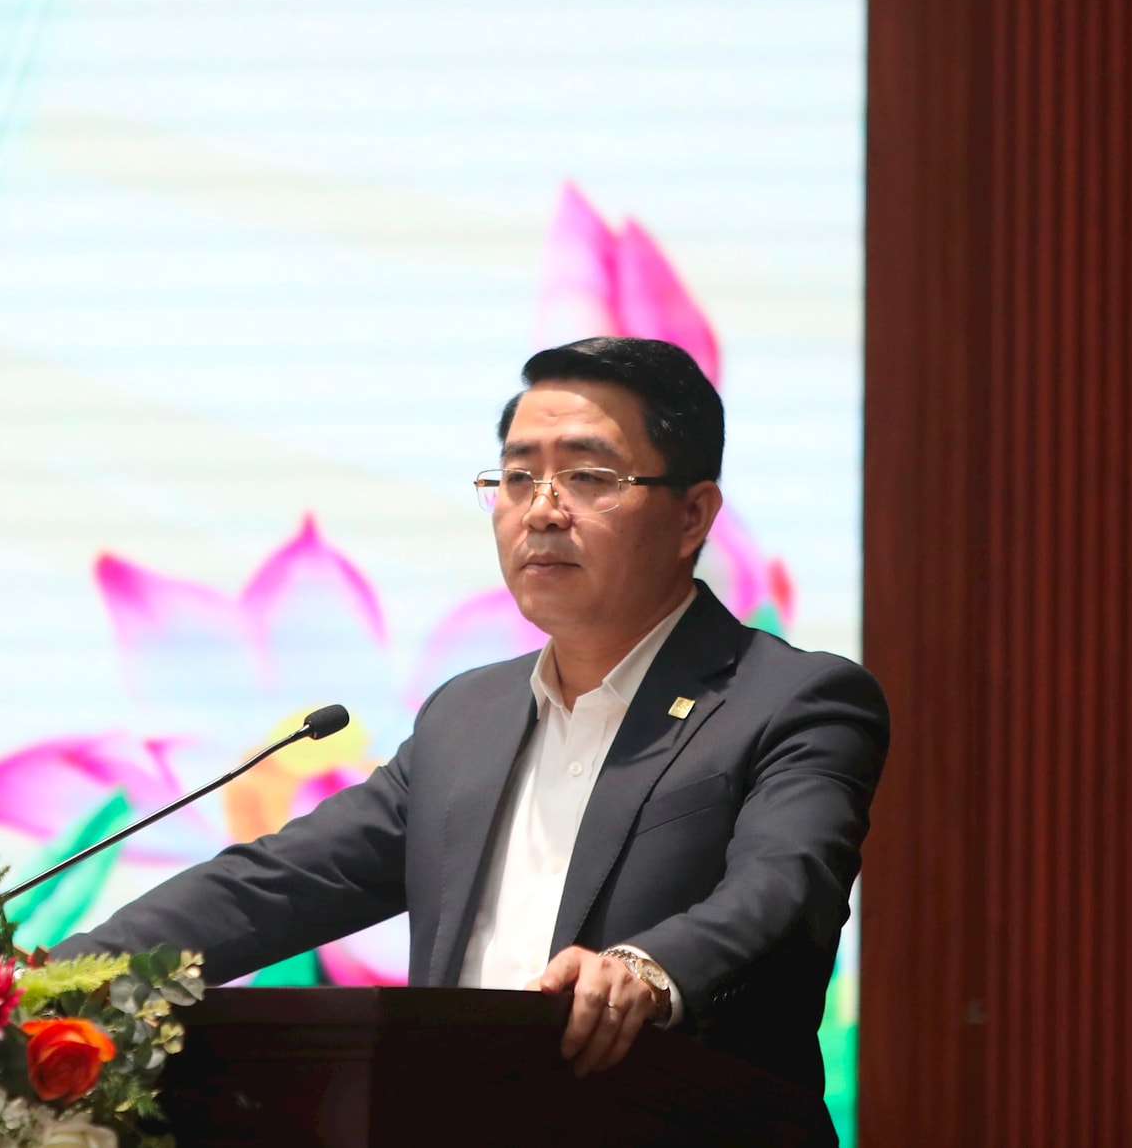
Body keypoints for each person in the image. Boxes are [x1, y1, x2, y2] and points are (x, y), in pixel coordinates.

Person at [52, 336, 889, 1103]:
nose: (542, 509)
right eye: (518, 477)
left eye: (588, 477)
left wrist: (649, 968)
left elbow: (783, 887)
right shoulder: (467, 718)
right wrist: (48, 980)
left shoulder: (791, 700)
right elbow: (277, 885)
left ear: (693, 515)